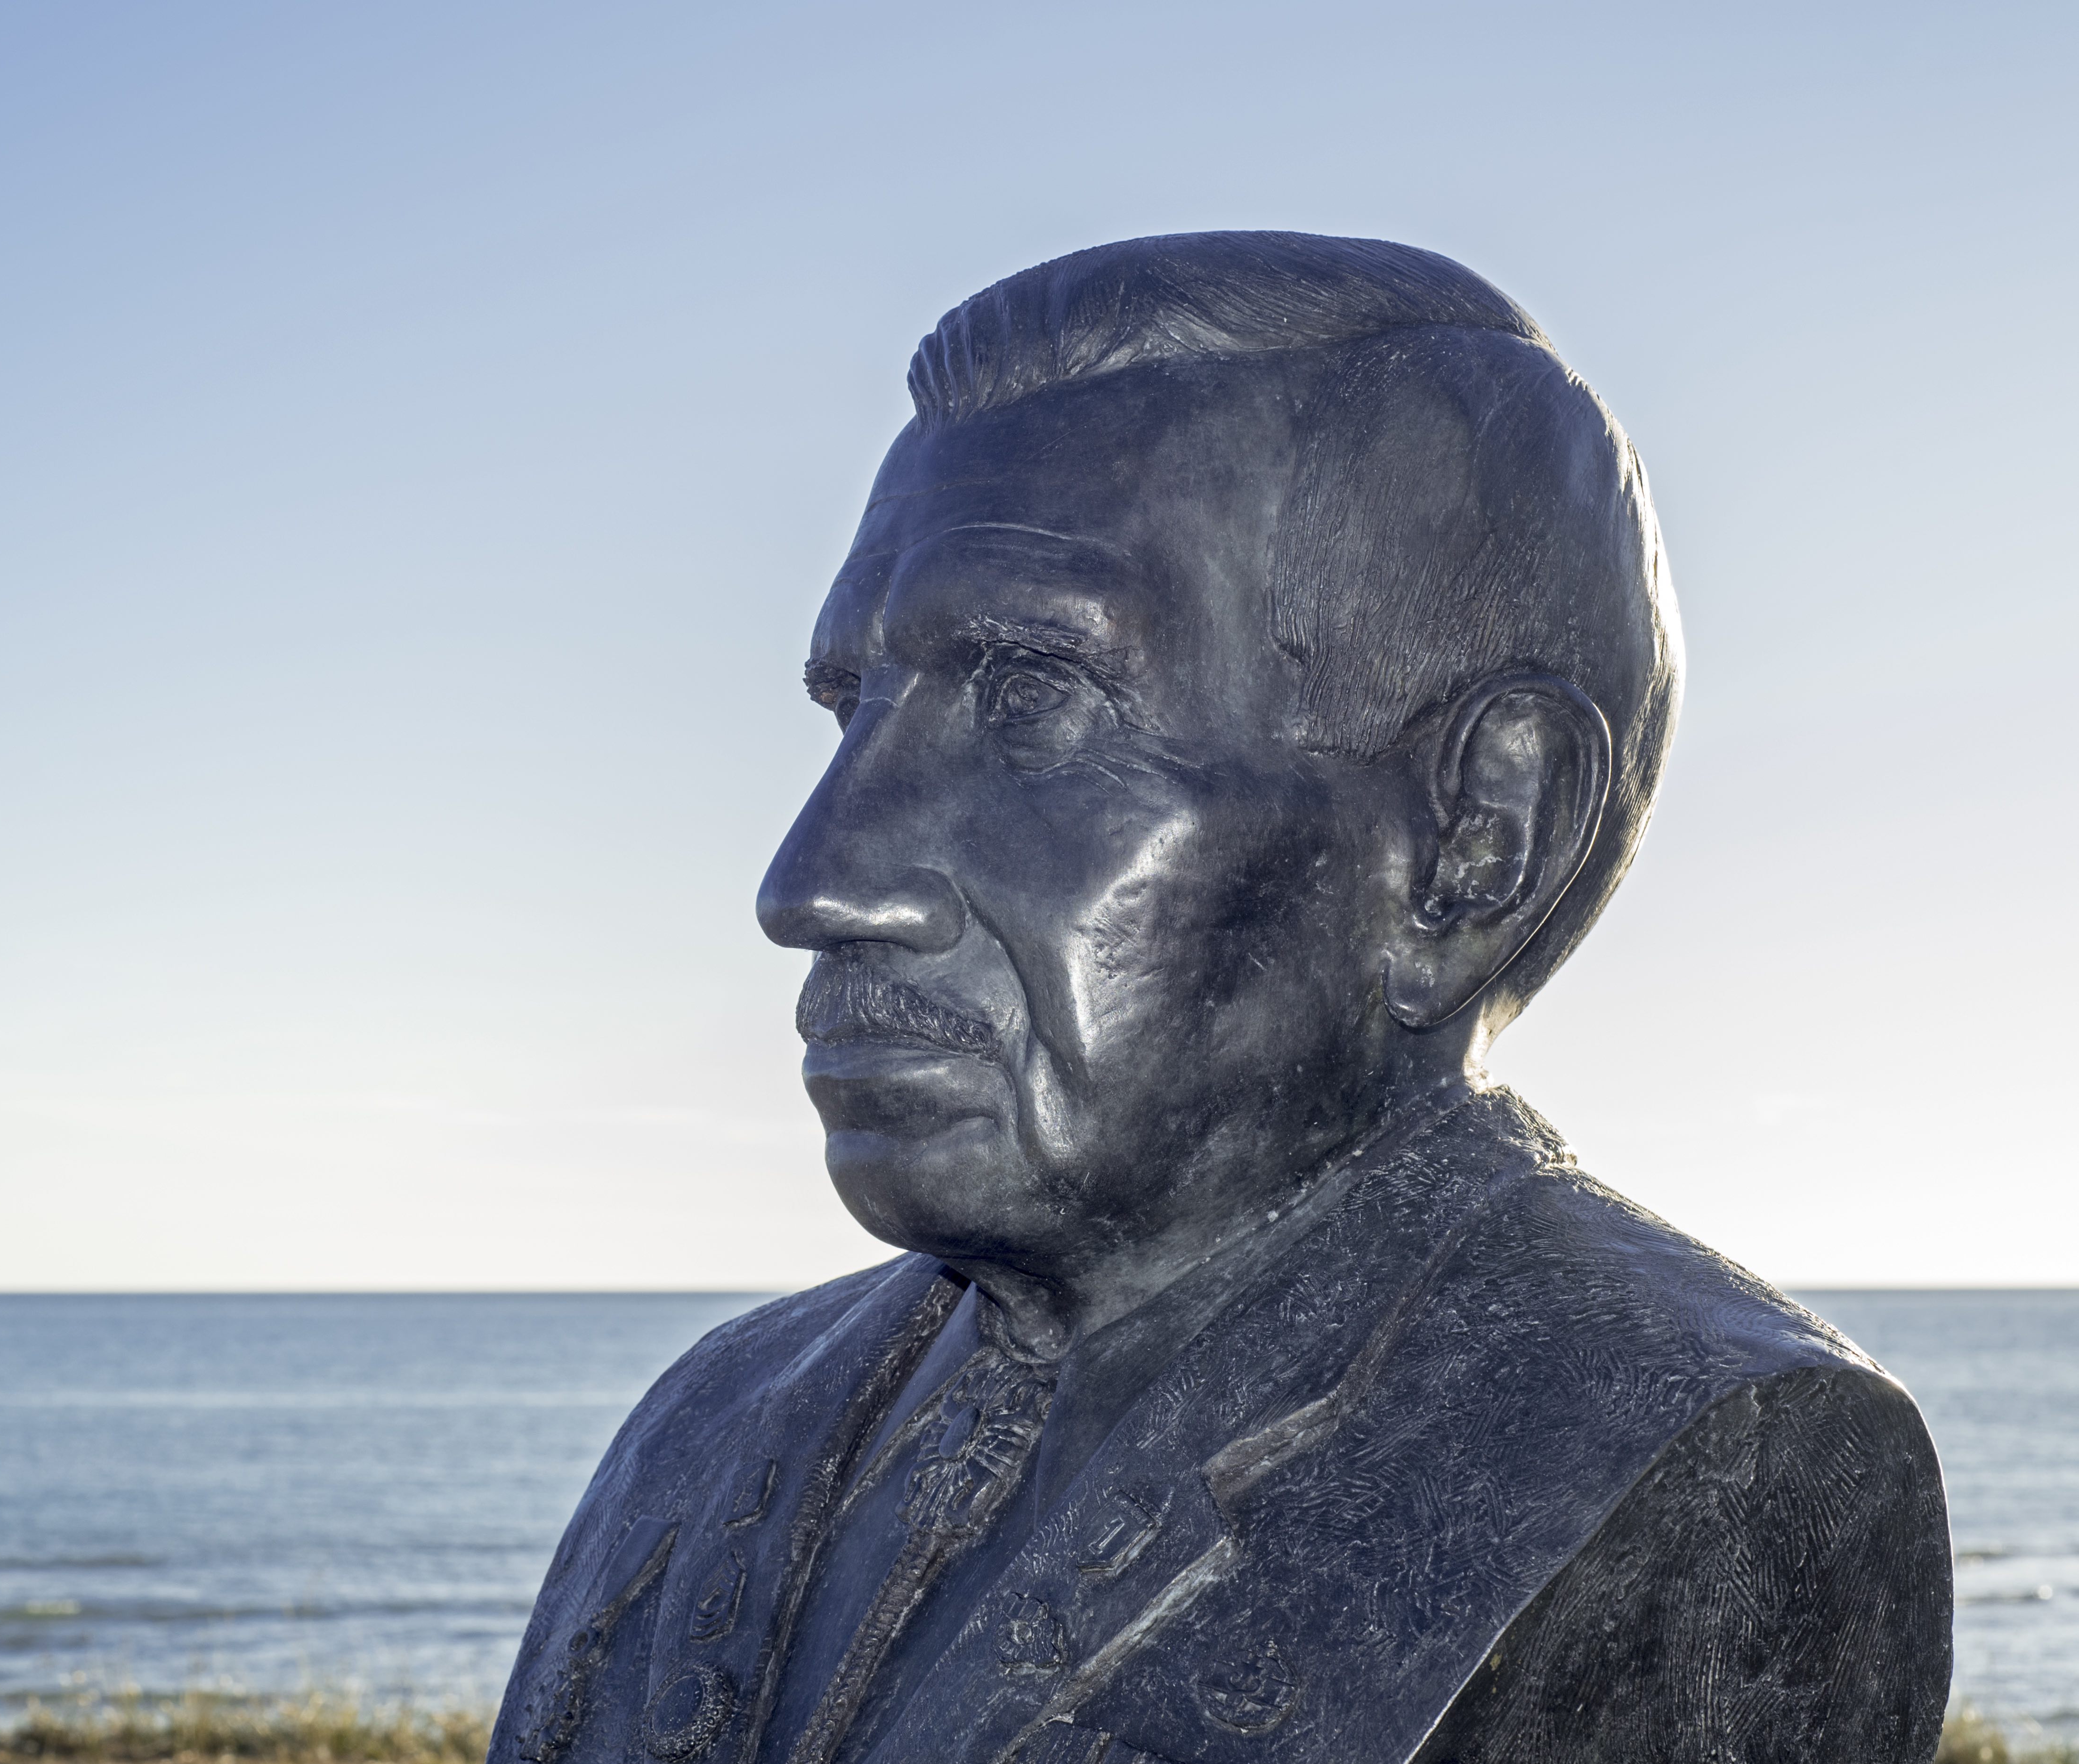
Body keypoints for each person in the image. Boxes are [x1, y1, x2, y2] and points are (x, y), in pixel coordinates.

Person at [493, 232, 1951, 1764]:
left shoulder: (1713, 1455)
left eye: (1034, 700)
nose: (814, 881)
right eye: (852, 710)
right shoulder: (707, 1421)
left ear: (1474, 839)